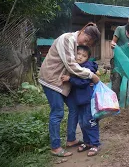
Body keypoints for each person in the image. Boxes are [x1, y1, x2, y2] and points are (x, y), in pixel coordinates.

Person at [39, 22, 101, 157]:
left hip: (61, 81)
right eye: (86, 40)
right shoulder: (67, 39)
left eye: (89, 43)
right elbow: (71, 65)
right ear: (83, 30)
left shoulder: (75, 44)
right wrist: (91, 76)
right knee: (57, 112)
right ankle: (55, 147)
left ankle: (71, 139)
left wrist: (88, 78)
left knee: (73, 107)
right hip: (51, 79)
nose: (85, 43)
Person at [61, 45, 100, 157]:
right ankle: (87, 142)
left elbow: (84, 83)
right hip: (79, 101)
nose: (80, 57)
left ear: (87, 58)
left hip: (87, 100)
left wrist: (70, 79)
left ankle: (95, 144)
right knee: (83, 123)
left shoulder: (87, 68)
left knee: (91, 122)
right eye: (78, 54)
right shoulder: (75, 66)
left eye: (84, 55)